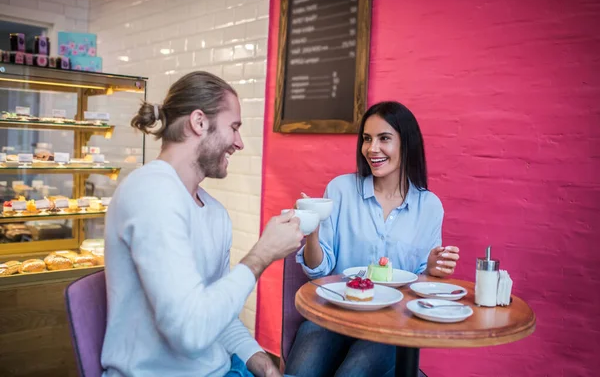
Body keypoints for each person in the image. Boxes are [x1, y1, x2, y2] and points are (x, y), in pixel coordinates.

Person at [101, 71, 303, 377]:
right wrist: (262, 256)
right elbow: (190, 332)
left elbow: (216, 315)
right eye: (233, 127)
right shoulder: (151, 192)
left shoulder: (215, 213)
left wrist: (258, 359)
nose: (239, 143)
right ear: (199, 122)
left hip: (221, 368)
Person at [284, 101, 461, 377]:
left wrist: (432, 269)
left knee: (353, 373)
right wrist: (313, 233)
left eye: (384, 138)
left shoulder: (429, 206)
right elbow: (318, 269)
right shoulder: (340, 190)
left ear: (407, 144)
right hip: (334, 313)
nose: (372, 148)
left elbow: (420, 284)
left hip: (391, 323)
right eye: (367, 139)